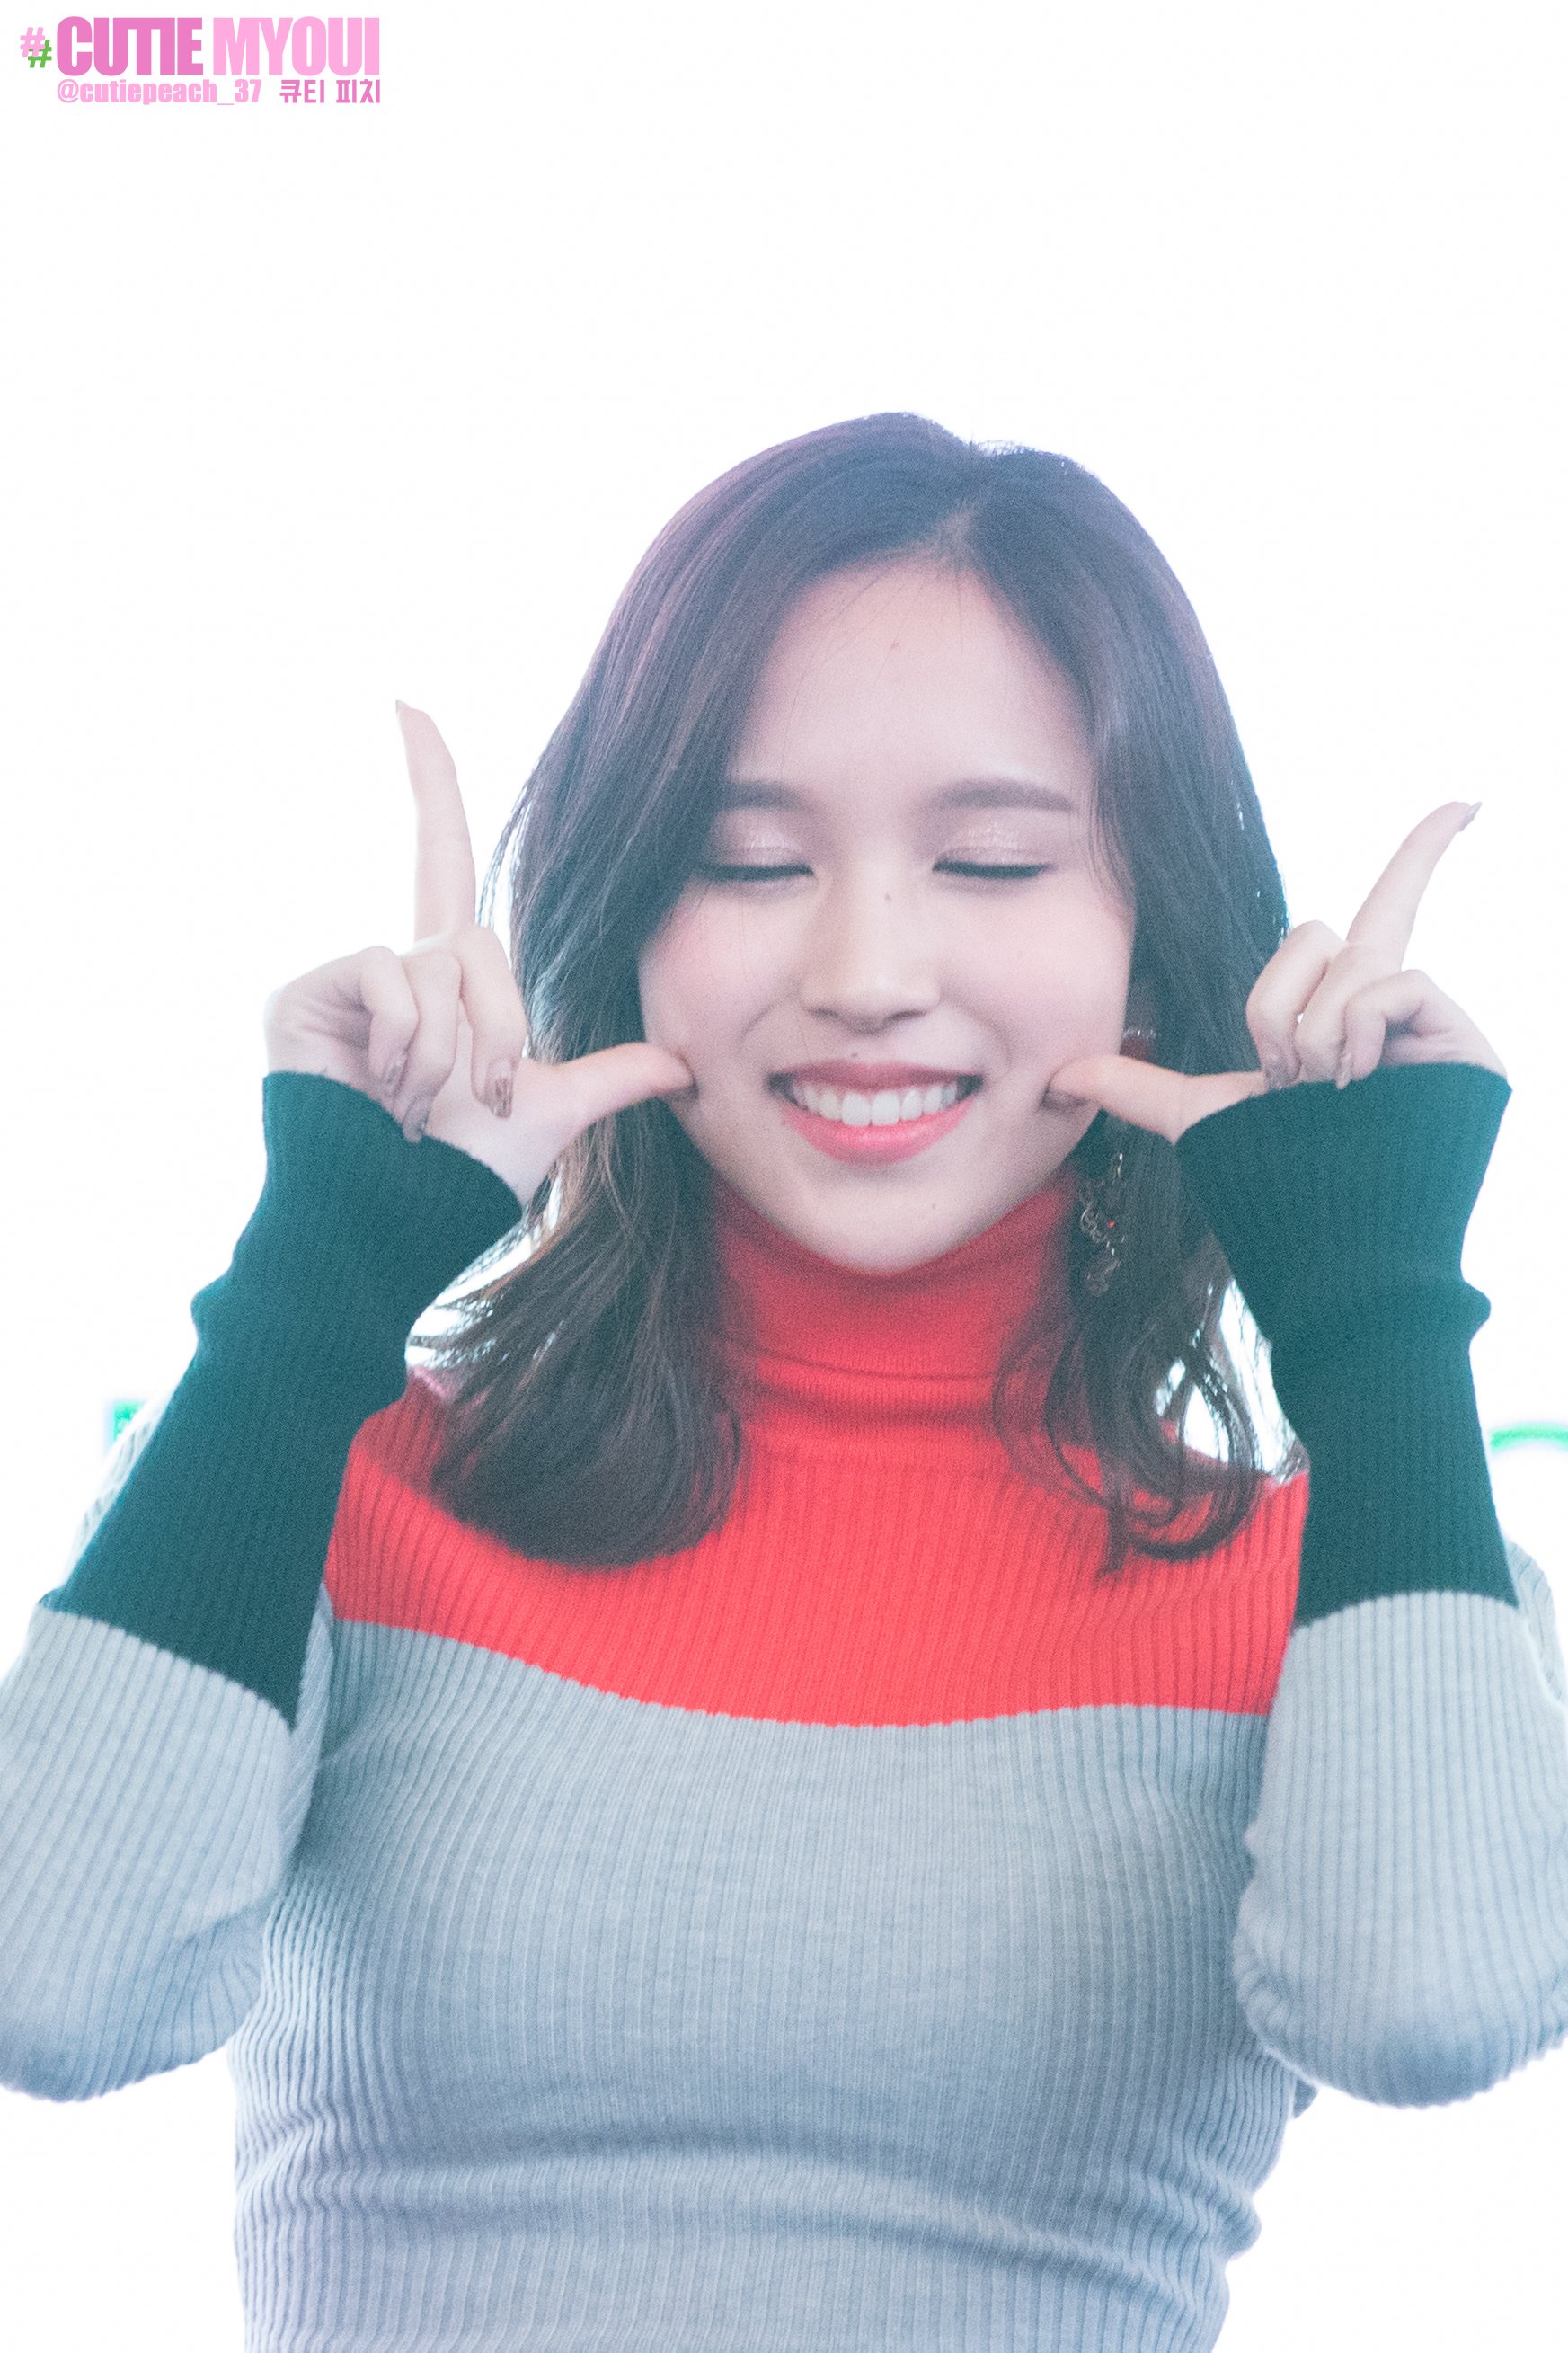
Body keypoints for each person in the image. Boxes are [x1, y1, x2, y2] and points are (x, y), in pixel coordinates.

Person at [2, 412, 1564, 2353]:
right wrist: (318, 1273)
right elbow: (50, 1981)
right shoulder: (326, 1471)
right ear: (626, 924)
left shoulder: (1352, 1579)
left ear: (1155, 947)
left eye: (990, 859)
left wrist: (1377, 1308)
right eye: (749, 859)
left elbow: (1430, 2008)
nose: (864, 968)